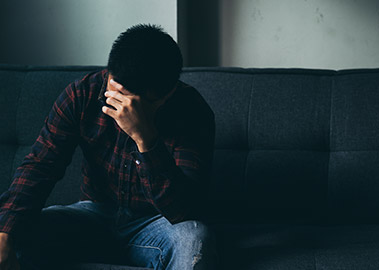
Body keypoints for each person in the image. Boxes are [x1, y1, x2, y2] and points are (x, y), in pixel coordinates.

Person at [0, 24, 217, 270]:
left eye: (132, 102)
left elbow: (183, 210)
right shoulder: (83, 93)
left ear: (166, 94)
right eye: (114, 92)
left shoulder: (191, 110)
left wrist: (145, 139)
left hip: (155, 224)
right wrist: (5, 232)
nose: (118, 105)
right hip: (92, 217)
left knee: (194, 239)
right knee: (15, 230)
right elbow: (40, 166)